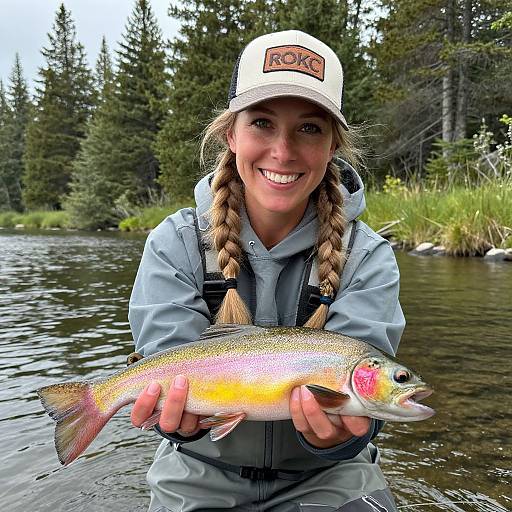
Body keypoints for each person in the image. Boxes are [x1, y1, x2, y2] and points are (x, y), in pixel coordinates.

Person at [128, 30, 405, 512]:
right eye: (262, 123)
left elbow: (363, 415)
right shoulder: (174, 243)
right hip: (199, 471)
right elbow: (167, 364)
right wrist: (171, 418)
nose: (283, 151)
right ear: (231, 134)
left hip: (331, 476)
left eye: (310, 128)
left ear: (333, 145)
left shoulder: (368, 257)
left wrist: (336, 438)